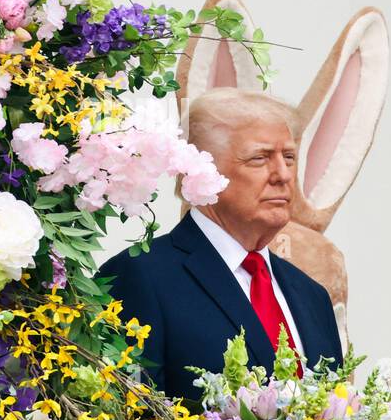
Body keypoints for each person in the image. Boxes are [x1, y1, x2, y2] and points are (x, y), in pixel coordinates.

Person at [99, 88, 343, 402]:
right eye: (260, 158)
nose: (283, 175)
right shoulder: (140, 277)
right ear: (204, 171)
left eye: (290, 158)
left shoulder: (312, 296)